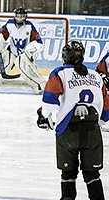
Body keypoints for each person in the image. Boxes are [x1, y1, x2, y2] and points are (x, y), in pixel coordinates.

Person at [37, 40, 109, 199]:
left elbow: (49, 99)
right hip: (92, 131)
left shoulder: (60, 72)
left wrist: (44, 115)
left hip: (68, 130)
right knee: (93, 175)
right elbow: (106, 110)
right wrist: (100, 122)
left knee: (68, 173)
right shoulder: (96, 76)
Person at [0, 7, 45, 94]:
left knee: (26, 69)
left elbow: (38, 41)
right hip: (12, 51)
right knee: (4, 64)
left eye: (22, 16)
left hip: (24, 54)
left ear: (25, 17)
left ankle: (40, 87)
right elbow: (1, 34)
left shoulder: (29, 25)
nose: (20, 18)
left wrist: (32, 49)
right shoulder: (10, 24)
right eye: (18, 16)